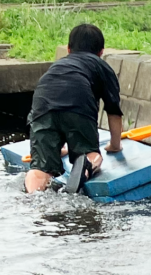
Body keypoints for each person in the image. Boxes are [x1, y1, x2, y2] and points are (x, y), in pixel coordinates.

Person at [22, 23, 125, 194]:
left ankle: (33, 199)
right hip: (78, 102)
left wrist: (57, 148)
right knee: (91, 154)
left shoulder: (57, 66)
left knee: (41, 168)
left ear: (68, 49)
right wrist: (115, 145)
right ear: (101, 52)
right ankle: (85, 167)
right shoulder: (102, 67)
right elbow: (114, 111)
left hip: (42, 100)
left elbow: (57, 112)